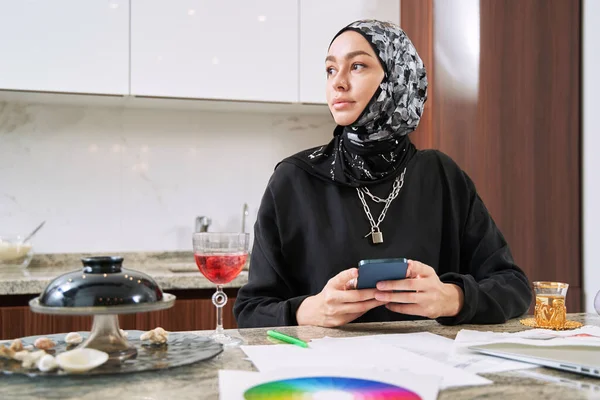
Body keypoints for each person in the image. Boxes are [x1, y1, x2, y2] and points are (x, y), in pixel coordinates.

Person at [233, 19, 532, 328]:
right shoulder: (293, 179)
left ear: (397, 76)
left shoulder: (442, 176)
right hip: (326, 373)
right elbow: (250, 311)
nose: (338, 82)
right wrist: (310, 311)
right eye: (331, 70)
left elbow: (515, 287)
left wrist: (451, 298)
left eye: (357, 66)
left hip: (430, 370)